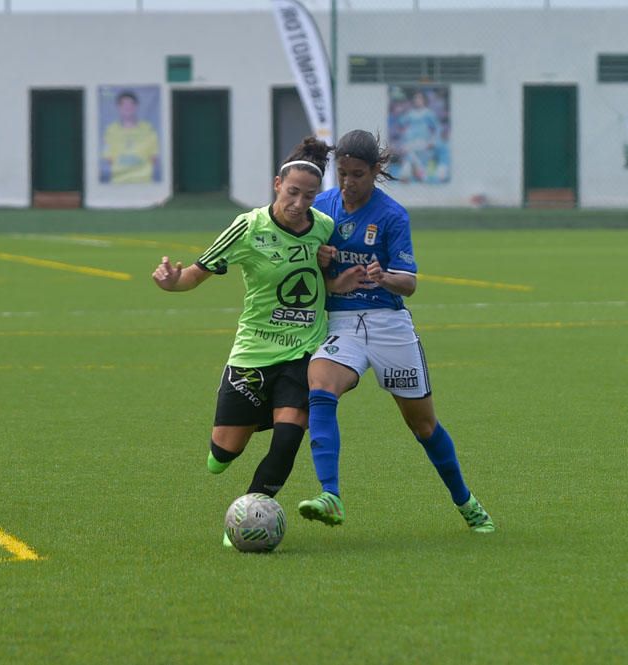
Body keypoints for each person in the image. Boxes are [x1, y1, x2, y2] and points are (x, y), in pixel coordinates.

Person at [296, 129, 495, 533]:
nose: (348, 183)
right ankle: (330, 494)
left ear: (375, 172)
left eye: (357, 175)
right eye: (343, 173)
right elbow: (301, 265)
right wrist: (319, 261)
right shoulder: (323, 207)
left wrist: (383, 275)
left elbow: (410, 283)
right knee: (319, 385)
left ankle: (466, 501)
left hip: (390, 326)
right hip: (343, 324)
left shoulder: (391, 216)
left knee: (423, 426)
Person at [152, 136, 334, 545]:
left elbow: (327, 283)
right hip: (254, 351)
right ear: (276, 185)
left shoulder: (323, 228)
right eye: (292, 193)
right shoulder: (248, 227)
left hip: (303, 352)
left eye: (309, 196)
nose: (300, 203)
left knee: (289, 439)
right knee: (223, 454)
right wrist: (171, 282)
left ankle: (248, 517)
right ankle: (253, 422)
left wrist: (330, 266)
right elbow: (194, 274)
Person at [101, 90, 160, 184]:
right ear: (118, 107)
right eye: (124, 105)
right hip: (119, 184)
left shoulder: (148, 129)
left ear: (136, 106)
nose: (127, 108)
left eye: (130, 104)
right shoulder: (110, 131)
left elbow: (154, 157)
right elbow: (109, 159)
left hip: (144, 183)